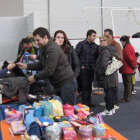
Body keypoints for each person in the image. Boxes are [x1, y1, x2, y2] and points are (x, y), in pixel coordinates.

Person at [17, 27, 77, 105]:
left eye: (38, 40)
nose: (36, 43)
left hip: (66, 83)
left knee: (68, 110)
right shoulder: (44, 48)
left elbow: (49, 70)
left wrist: (34, 77)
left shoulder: (52, 49)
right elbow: (41, 64)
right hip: (58, 84)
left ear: (45, 37)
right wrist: (26, 66)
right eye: (35, 40)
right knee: (59, 110)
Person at [94, 35, 118, 116]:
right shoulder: (112, 49)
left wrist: (100, 74)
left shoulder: (105, 51)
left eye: (102, 40)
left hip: (107, 75)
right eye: (100, 40)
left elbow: (103, 65)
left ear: (107, 41)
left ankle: (108, 109)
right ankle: (111, 108)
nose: (100, 42)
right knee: (111, 92)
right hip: (112, 74)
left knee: (108, 93)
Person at [99, 29, 123, 110]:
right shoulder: (109, 47)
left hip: (110, 72)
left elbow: (120, 58)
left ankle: (113, 105)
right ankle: (111, 105)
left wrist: (111, 66)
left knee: (111, 90)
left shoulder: (115, 46)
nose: (100, 42)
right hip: (111, 72)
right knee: (110, 90)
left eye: (106, 36)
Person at [75, 29, 99, 107]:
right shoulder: (81, 44)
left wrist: (95, 66)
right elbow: (75, 56)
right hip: (83, 69)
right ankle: (85, 103)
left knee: (89, 86)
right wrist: (81, 65)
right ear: (88, 36)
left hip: (91, 69)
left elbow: (96, 57)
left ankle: (88, 102)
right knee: (84, 86)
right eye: (93, 36)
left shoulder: (95, 46)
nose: (95, 37)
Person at [119, 35, 136, 102]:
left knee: (127, 84)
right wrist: (133, 66)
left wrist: (133, 66)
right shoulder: (130, 47)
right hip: (128, 68)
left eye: (122, 42)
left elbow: (129, 58)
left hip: (126, 68)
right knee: (128, 83)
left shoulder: (127, 48)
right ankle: (127, 97)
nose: (121, 43)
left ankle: (126, 98)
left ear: (124, 41)